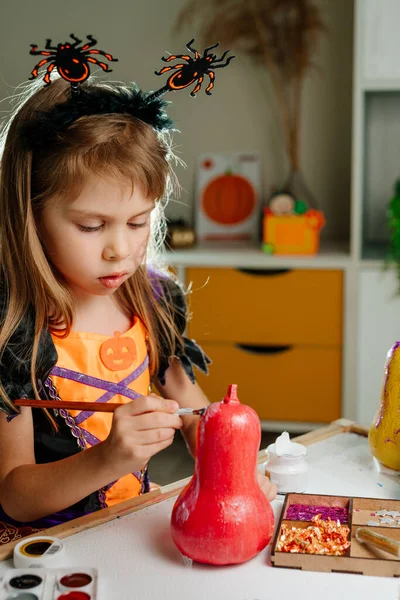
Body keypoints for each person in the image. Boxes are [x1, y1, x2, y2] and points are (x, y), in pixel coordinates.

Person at [0, 36, 277, 537]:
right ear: (30, 215)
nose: (120, 251)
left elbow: (190, 406)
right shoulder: (13, 329)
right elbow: (14, 495)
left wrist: (231, 464)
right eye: (91, 226)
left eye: (138, 222)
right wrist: (109, 457)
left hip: (128, 531)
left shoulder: (152, 299)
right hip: (45, 550)